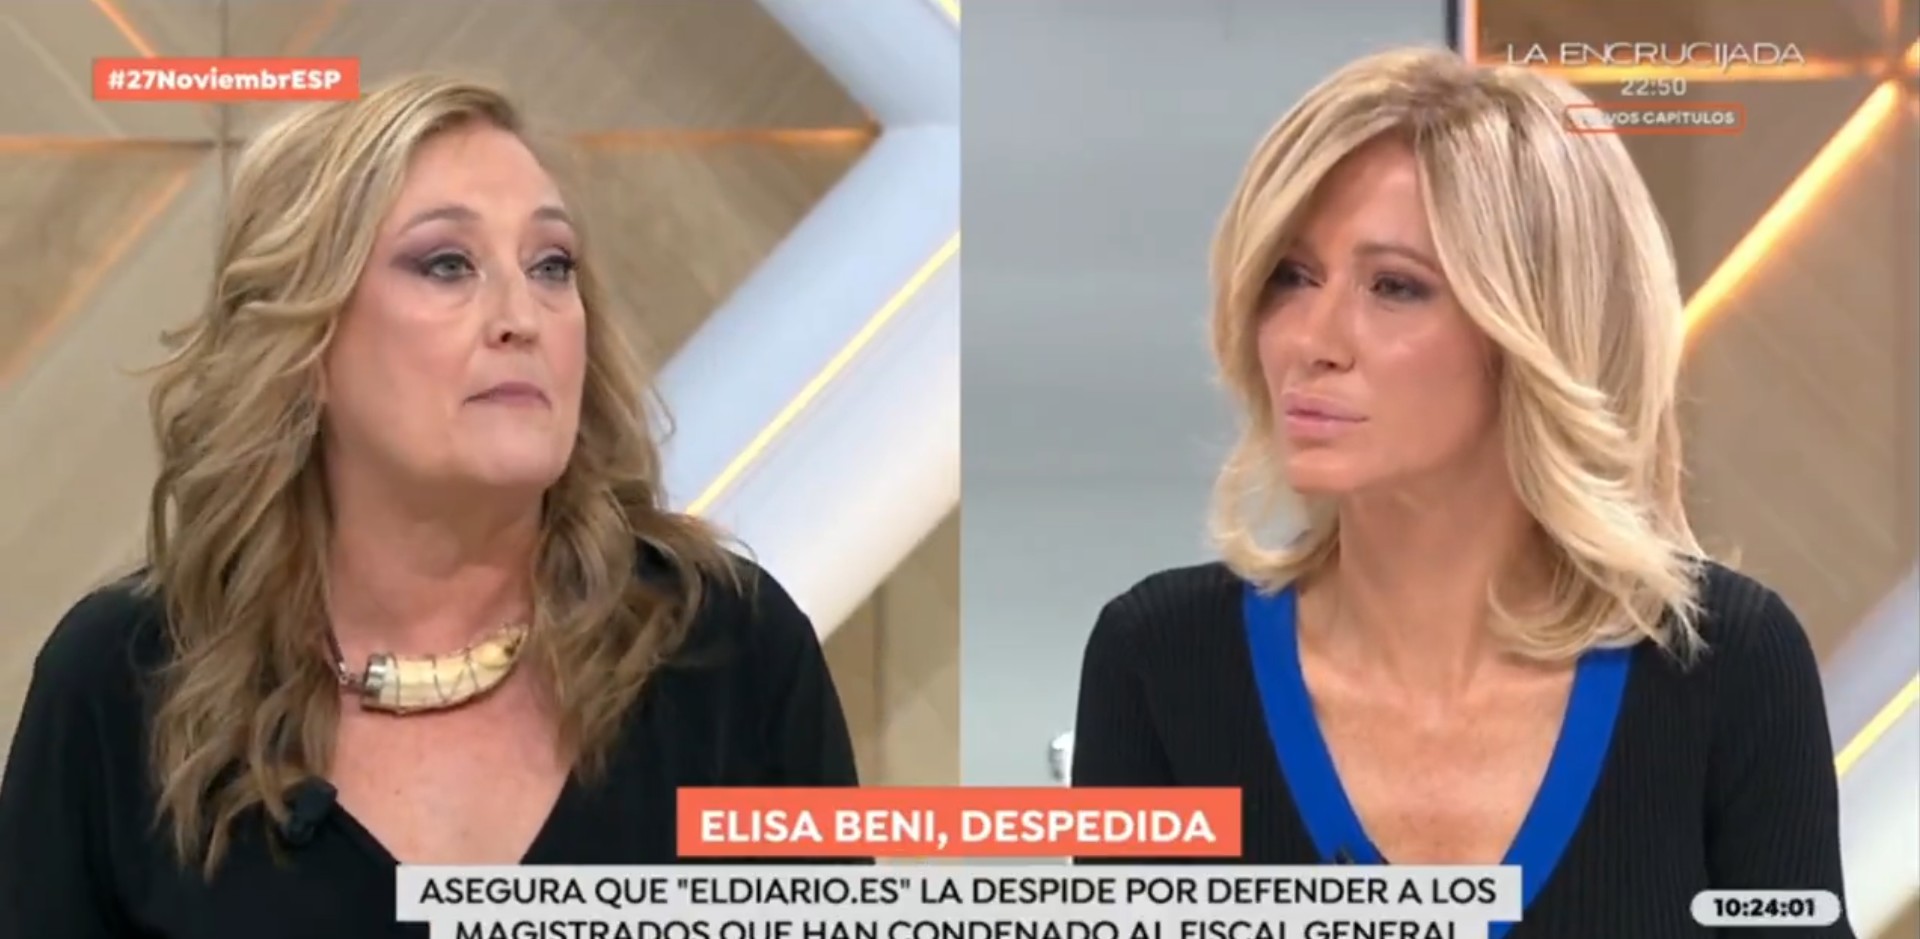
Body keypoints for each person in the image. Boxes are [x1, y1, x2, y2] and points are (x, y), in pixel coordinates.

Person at [0, 73, 859, 938]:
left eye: (551, 265)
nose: (522, 315)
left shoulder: (730, 652)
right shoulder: (122, 685)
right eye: (448, 263)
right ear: (306, 343)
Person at [1069, 47, 1853, 937]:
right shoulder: (1160, 663)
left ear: (1537, 327)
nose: (1312, 340)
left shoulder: (1727, 666)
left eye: (1394, 287)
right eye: (1292, 275)